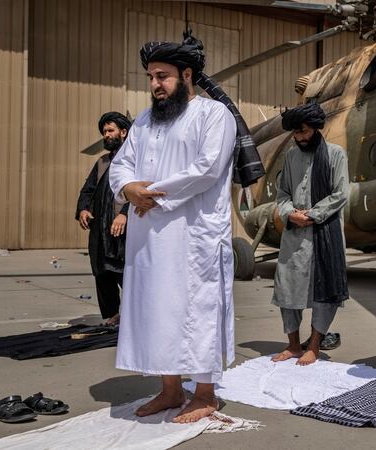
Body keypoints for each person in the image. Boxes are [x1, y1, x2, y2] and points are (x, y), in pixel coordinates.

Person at [109, 34, 239, 423]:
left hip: (194, 233)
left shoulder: (214, 115)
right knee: (157, 311)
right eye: (150, 77)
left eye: (162, 76)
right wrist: (128, 188)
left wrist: (151, 195)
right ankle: (169, 390)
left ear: (186, 75)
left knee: (197, 311)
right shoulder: (146, 120)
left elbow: (208, 168)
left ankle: (204, 394)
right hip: (149, 238)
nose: (155, 85)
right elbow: (122, 164)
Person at [271, 102, 350, 366]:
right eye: (296, 133)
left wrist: (312, 215)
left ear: (316, 128)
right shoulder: (291, 157)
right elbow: (282, 193)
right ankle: (293, 345)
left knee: (323, 293)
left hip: (324, 235)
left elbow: (341, 194)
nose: (300, 138)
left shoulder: (336, 154)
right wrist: (289, 213)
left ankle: (314, 346)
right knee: (287, 287)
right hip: (294, 235)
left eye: (304, 132)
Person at [76, 112, 132, 326]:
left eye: (110, 131)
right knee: (102, 272)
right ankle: (114, 314)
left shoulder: (133, 161)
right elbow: (87, 191)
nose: (106, 135)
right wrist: (83, 210)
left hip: (123, 231)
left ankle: (135, 315)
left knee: (125, 273)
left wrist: (124, 215)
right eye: (104, 132)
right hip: (100, 230)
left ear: (124, 132)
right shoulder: (102, 162)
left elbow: (139, 192)